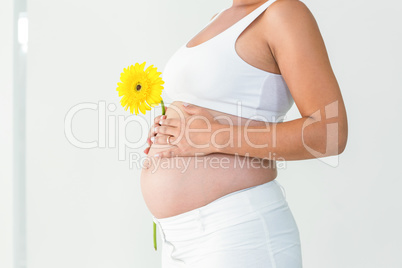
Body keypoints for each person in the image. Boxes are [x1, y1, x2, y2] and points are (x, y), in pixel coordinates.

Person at [140, 0, 348, 267]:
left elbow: (329, 132)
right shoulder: (220, 18)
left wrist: (212, 135)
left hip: (239, 232)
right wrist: (170, 129)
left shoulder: (283, 12)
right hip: (178, 238)